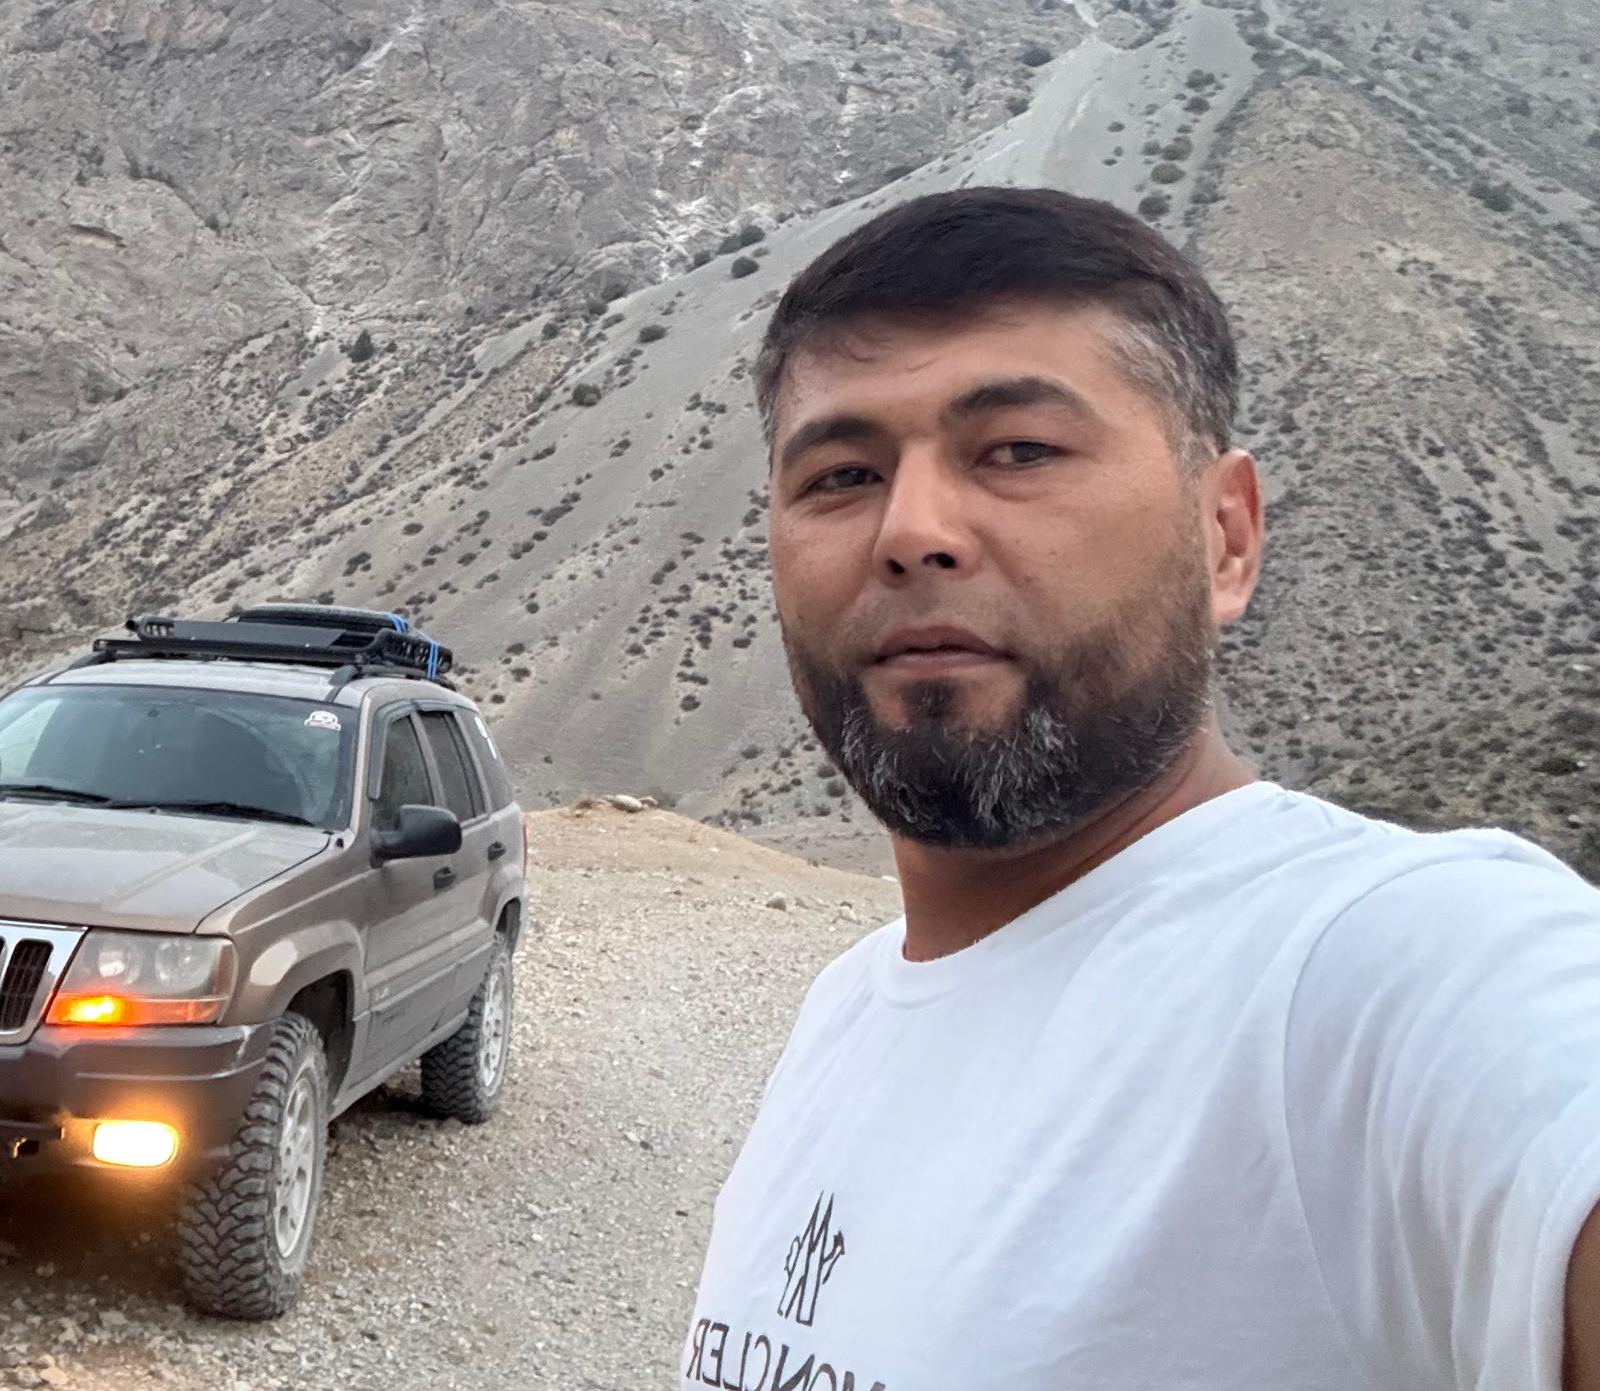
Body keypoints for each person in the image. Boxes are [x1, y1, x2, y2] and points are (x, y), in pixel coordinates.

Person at [678, 186, 1600, 1389]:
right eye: (841, 476)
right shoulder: (846, 1010)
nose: (910, 530)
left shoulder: (1394, 970)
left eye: (1018, 451)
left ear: (1225, 539)